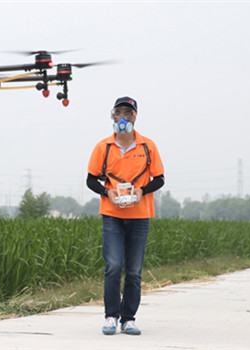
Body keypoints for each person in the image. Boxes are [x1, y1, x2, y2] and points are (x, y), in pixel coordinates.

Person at [86, 96, 165, 336]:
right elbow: (90, 179)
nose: (123, 118)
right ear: (112, 116)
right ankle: (111, 316)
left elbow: (159, 179)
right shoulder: (103, 147)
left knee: (133, 270)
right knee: (113, 265)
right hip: (112, 214)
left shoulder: (147, 146)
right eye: (118, 113)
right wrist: (106, 192)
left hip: (140, 215)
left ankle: (128, 318)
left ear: (135, 117)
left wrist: (142, 191)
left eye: (128, 114)